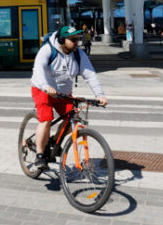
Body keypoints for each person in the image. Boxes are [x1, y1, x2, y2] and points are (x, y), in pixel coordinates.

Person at [30, 25, 108, 170]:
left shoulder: (78, 54)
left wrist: (99, 95)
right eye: (72, 39)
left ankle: (53, 141)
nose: (76, 42)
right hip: (43, 90)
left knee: (73, 119)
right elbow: (38, 69)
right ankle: (39, 155)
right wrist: (45, 86)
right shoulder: (48, 50)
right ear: (62, 40)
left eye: (77, 39)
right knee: (46, 119)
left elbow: (90, 74)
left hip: (63, 93)